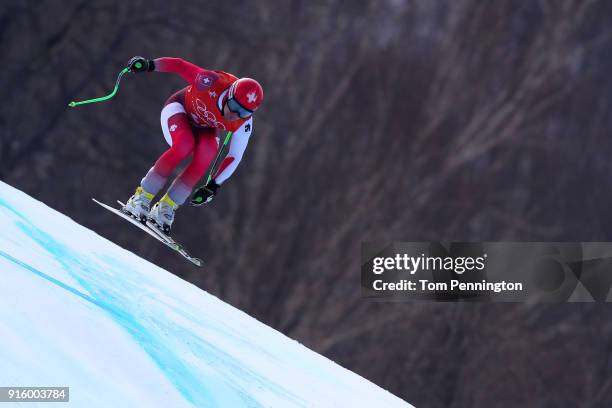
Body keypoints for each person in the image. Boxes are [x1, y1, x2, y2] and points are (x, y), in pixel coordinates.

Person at [122, 56, 264, 235]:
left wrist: (213, 186)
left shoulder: (244, 124)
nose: (235, 115)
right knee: (184, 145)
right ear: (229, 95)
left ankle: (166, 208)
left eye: (244, 112)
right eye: (235, 107)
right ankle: (141, 197)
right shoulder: (211, 82)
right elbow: (179, 65)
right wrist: (149, 65)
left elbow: (235, 156)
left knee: (208, 152)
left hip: (204, 126)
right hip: (179, 109)